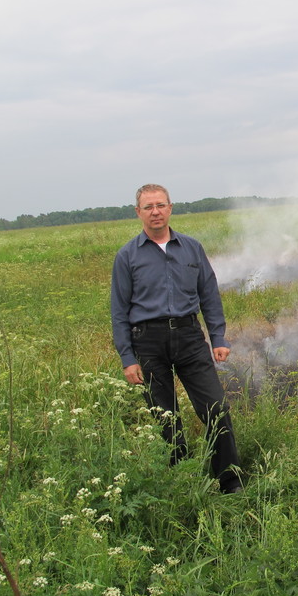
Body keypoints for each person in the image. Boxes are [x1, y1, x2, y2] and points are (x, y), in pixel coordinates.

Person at [111, 184, 243, 494]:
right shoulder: (127, 256)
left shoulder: (191, 248)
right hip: (148, 342)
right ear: (138, 212)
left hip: (188, 336)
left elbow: (209, 294)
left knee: (215, 408)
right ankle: (181, 483)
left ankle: (231, 482)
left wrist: (218, 337)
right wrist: (127, 358)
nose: (155, 211)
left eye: (160, 205)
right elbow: (118, 310)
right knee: (165, 419)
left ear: (170, 207)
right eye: (148, 207)